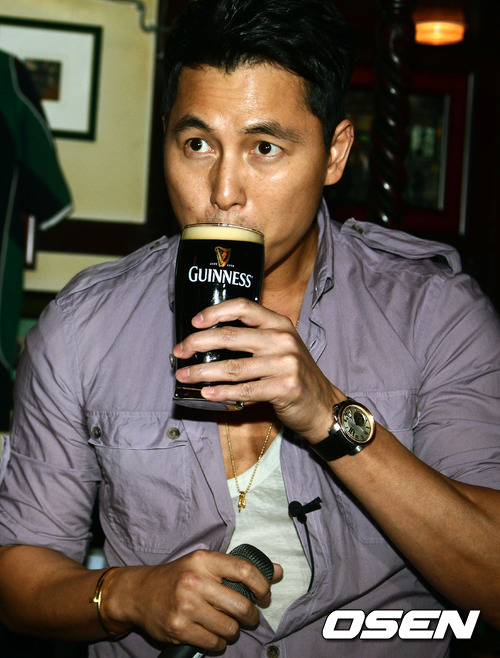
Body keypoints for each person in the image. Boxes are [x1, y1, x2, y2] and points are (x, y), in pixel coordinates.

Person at [0, 0, 499, 656]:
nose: (223, 189)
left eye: (265, 147)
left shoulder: (434, 315)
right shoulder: (85, 326)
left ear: (334, 154)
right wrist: (127, 594)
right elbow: (19, 573)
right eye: (197, 144)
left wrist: (328, 415)